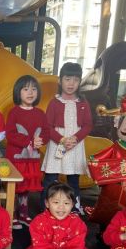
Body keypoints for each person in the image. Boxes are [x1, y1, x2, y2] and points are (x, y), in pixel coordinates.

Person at [41, 62, 92, 214]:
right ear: (60, 80)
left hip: (75, 145)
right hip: (57, 144)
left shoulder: (83, 103)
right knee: (50, 179)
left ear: (80, 82)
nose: (71, 83)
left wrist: (75, 138)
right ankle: (46, 209)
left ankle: (74, 209)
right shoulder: (54, 102)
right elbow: (47, 126)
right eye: (67, 79)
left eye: (75, 80)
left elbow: (88, 125)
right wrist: (62, 139)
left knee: (73, 180)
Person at [26, 182, 96, 249]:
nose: (61, 207)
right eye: (56, 202)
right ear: (47, 203)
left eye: (66, 203)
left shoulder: (77, 223)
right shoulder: (38, 221)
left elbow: (78, 245)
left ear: (72, 204)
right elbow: (40, 245)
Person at [6, 75, 49, 229]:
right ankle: (12, 214)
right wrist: (30, 141)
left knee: (25, 188)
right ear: (18, 92)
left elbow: (46, 132)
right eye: (25, 89)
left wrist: (40, 140)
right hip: (16, 158)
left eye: (34, 89)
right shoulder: (14, 112)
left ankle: (23, 214)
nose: (30, 92)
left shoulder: (40, 113)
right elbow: (10, 134)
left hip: (32, 158)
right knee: (15, 187)